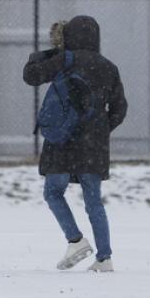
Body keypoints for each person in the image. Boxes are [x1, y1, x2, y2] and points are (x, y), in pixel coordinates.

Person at [23, 15, 127, 272]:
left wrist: (44, 55)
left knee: (53, 192)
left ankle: (76, 240)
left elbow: (31, 77)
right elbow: (120, 108)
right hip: (94, 144)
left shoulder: (65, 60)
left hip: (63, 138)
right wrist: (100, 128)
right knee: (94, 201)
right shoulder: (109, 67)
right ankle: (104, 258)